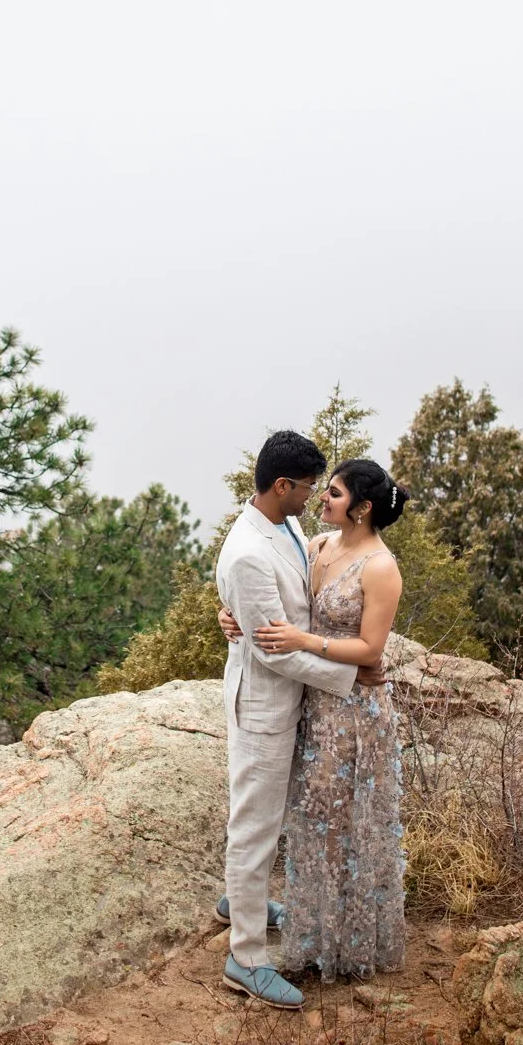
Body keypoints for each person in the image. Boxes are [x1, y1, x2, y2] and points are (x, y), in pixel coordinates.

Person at [237, 457, 410, 982]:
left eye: (332, 493)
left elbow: (370, 648)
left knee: (347, 826)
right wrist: (238, 617)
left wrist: (303, 641)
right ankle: (310, 932)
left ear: (361, 509)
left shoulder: (381, 567)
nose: (321, 500)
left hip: (355, 716)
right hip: (315, 706)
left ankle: (348, 942)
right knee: (313, 822)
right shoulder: (316, 546)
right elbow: (283, 602)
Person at [213, 431, 361, 1009]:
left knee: (265, 820)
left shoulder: (285, 525)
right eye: (306, 487)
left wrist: (235, 616)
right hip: (264, 706)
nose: (313, 497)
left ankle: (236, 900)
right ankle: (244, 955)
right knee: (254, 827)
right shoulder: (247, 551)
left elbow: (275, 603)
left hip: (288, 696)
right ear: (281, 486)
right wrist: (352, 675)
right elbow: (274, 648)